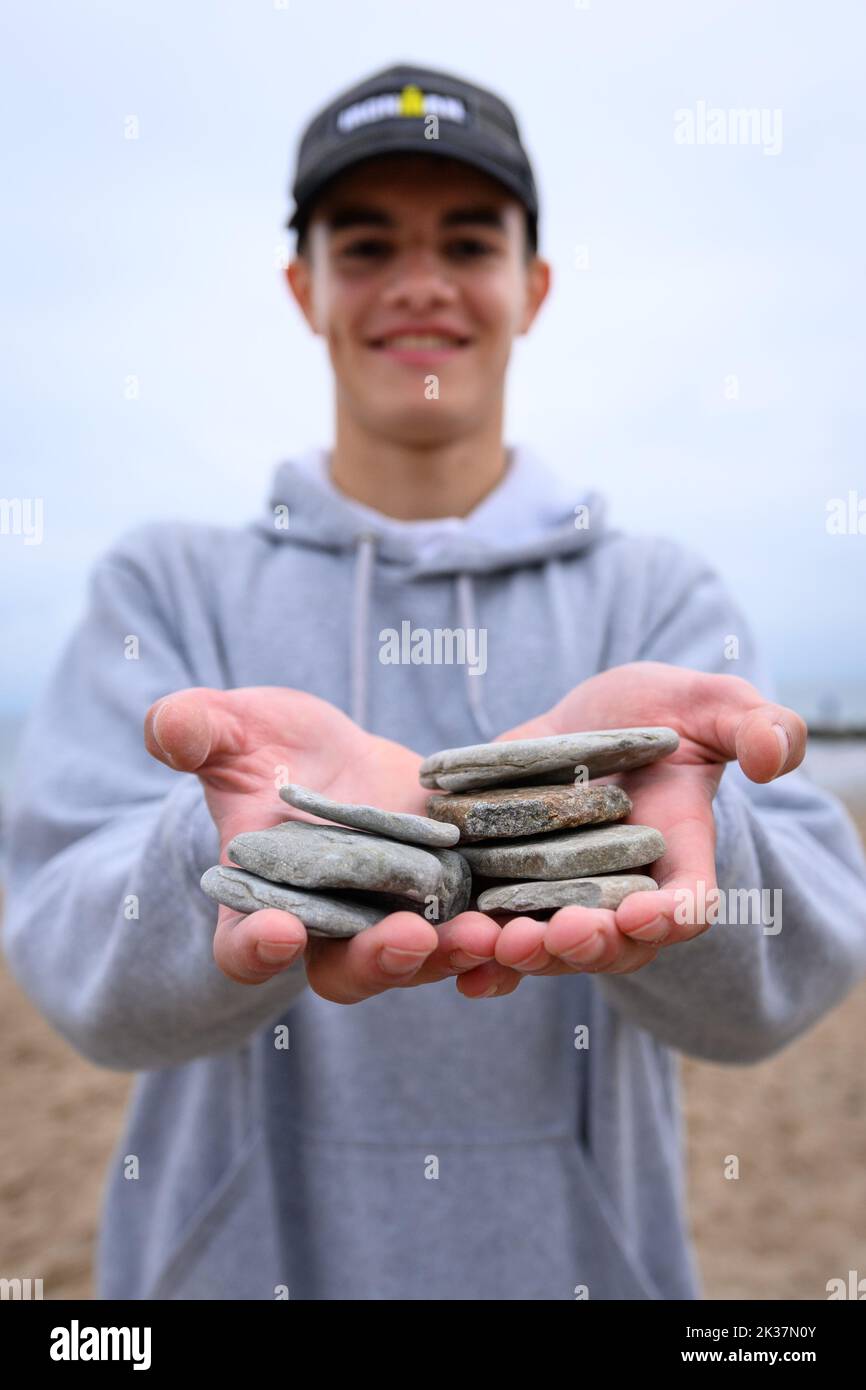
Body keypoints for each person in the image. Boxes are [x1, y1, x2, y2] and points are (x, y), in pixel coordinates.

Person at [4, 61, 866, 1302]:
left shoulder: (658, 595)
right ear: (303, 289)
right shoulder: (165, 585)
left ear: (534, 284)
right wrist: (221, 852)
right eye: (365, 245)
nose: (418, 281)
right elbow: (77, 980)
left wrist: (675, 837)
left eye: (467, 239)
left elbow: (775, 992)